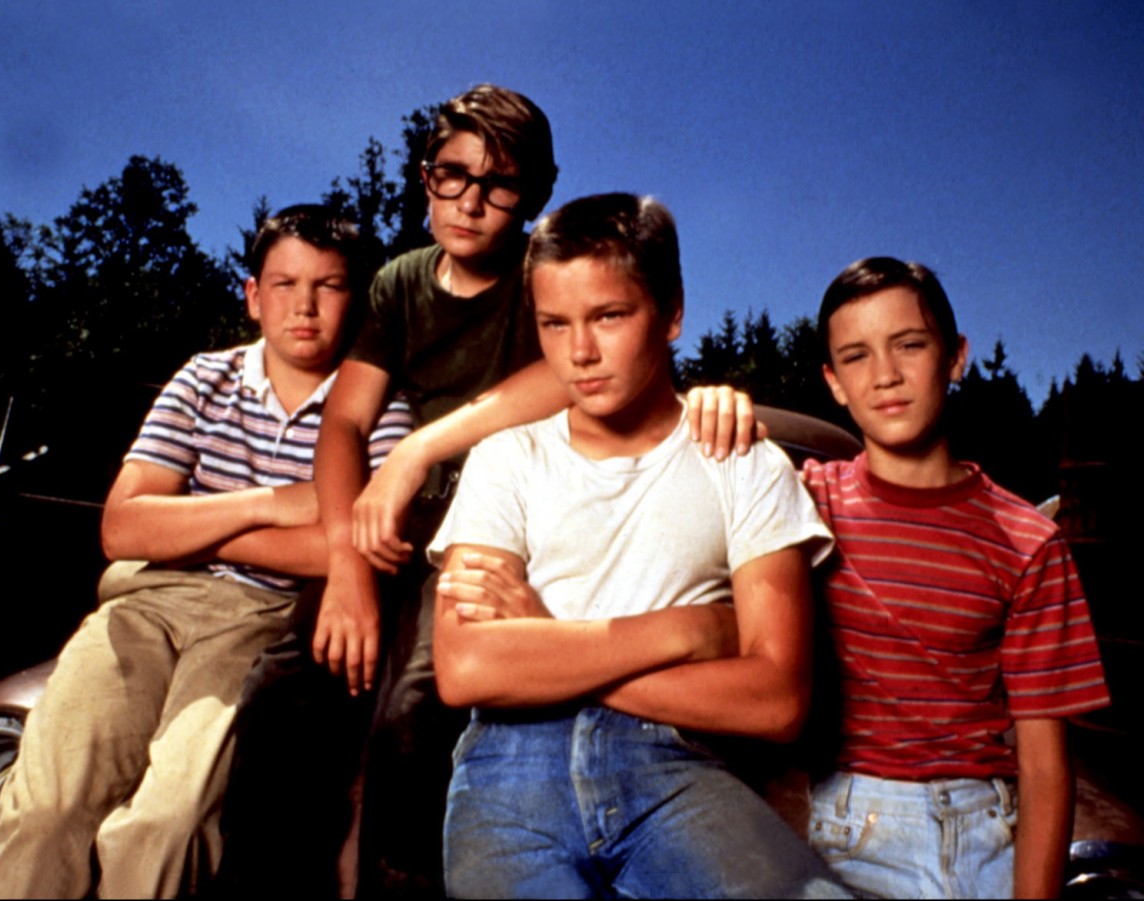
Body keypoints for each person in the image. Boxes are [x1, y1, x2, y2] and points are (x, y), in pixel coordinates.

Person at [306, 84, 751, 895]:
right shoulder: (400, 283)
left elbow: (570, 374)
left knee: (416, 714)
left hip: (483, 527)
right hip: (388, 527)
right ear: (425, 174)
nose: (470, 202)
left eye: (500, 185)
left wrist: (418, 449)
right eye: (452, 175)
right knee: (283, 690)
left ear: (536, 195)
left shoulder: (546, 276)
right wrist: (343, 561)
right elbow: (342, 424)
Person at [0, 205, 411, 899]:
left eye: (329, 286)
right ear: (253, 296)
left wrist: (191, 525)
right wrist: (269, 501)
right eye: (285, 284)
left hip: (260, 619)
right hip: (145, 604)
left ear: (357, 299)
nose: (304, 306)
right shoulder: (205, 378)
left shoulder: (381, 409)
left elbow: (352, 547)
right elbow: (124, 528)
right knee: (45, 809)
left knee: (168, 823)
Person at [428, 192, 850, 899]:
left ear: (672, 312)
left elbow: (777, 701)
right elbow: (468, 667)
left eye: (609, 316)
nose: (579, 353)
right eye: (554, 323)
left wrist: (544, 638)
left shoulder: (744, 461)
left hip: (675, 764)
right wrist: (692, 630)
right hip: (510, 769)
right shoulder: (506, 460)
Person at [800, 257, 1111, 899]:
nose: (885, 375)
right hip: (853, 831)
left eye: (909, 345)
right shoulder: (806, 503)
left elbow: (1045, 765)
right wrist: (719, 410)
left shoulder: (1029, 540)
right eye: (856, 356)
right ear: (834, 382)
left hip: (992, 830)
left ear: (956, 357)